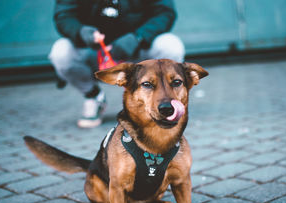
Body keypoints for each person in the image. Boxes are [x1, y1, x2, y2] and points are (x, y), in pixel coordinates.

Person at [49, 0, 185, 128]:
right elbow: (64, 15)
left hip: (138, 49)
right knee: (61, 52)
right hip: (94, 51)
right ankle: (93, 96)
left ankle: (160, 102)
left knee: (170, 46)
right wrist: (81, 32)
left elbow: (165, 12)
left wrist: (137, 38)